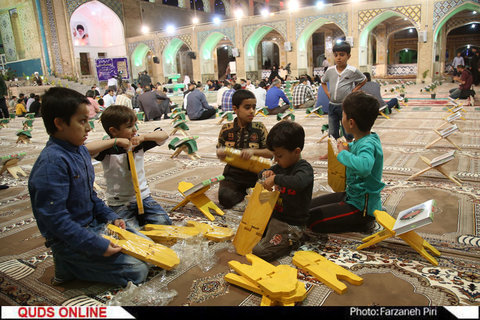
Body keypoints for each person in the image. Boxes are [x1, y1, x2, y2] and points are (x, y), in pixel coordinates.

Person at [28, 87, 149, 287]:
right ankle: (67, 264)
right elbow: (55, 221)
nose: (89, 128)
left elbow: (91, 197)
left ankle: (80, 262)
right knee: (137, 270)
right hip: (69, 240)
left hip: (93, 226)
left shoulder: (80, 152)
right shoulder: (52, 163)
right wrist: (96, 244)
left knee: (147, 248)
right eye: (82, 121)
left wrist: (112, 217)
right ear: (59, 123)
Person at [308, 91, 384, 234]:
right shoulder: (364, 139)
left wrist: (343, 153)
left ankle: (363, 223)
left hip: (362, 208)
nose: (341, 118)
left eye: (343, 114)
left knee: (313, 220)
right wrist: (348, 147)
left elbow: (364, 167)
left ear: (351, 122)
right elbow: (359, 150)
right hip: (351, 196)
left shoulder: (367, 144)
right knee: (308, 207)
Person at [85, 105, 172, 229]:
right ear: (113, 131)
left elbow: (163, 134)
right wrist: (116, 142)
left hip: (144, 197)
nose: (135, 129)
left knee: (164, 223)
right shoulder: (107, 148)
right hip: (119, 202)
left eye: (135, 125)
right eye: (129, 127)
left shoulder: (138, 142)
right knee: (129, 231)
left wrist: (144, 137)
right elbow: (86, 149)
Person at [252, 121, 314, 262]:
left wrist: (276, 179)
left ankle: (296, 239)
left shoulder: (304, 169)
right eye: (274, 156)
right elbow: (261, 174)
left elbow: (298, 182)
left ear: (296, 152)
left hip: (292, 224)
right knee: (249, 234)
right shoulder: (280, 167)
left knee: (260, 251)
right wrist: (265, 174)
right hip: (275, 217)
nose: (275, 160)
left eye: (279, 156)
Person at [216, 90, 272, 209]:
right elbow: (220, 152)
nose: (252, 111)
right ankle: (247, 196)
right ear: (235, 109)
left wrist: (254, 151)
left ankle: (249, 196)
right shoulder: (226, 129)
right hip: (233, 175)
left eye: (253, 107)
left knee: (269, 196)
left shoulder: (259, 128)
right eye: (247, 107)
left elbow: (270, 153)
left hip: (256, 174)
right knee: (225, 198)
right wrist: (221, 153)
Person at [321, 41, 366, 141]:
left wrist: (354, 91)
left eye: (342, 55)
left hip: (345, 106)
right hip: (332, 105)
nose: (338, 58)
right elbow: (323, 81)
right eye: (336, 55)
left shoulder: (352, 71)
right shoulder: (330, 70)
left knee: (348, 131)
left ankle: (349, 149)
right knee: (332, 131)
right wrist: (327, 93)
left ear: (348, 56)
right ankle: (332, 151)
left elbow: (363, 80)